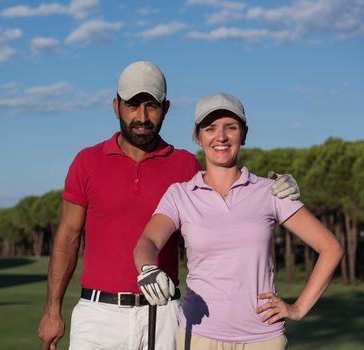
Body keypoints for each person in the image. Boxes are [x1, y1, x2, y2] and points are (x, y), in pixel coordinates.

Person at [37, 62, 301, 350]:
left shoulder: (185, 164)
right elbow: (67, 238)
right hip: (99, 313)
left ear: (166, 108)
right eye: (132, 105)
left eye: (151, 106)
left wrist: (273, 187)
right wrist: (53, 311)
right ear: (116, 107)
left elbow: (229, 197)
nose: (142, 116)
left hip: (164, 314)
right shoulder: (87, 162)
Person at [134, 92, 344, 350]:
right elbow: (148, 240)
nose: (220, 137)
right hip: (200, 336)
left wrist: (299, 308)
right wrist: (147, 268)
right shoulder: (180, 194)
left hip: (263, 338)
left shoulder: (272, 191)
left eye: (230, 127)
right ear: (197, 137)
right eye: (210, 128)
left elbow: (331, 248)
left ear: (244, 134)